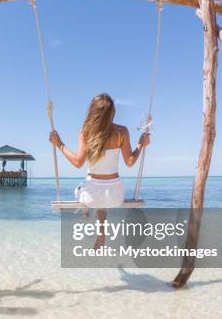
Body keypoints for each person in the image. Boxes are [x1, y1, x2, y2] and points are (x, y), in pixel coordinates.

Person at [49, 93, 150, 249]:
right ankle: (100, 231)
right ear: (112, 112)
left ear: (92, 111)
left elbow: (78, 162)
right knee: (102, 196)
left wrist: (59, 144)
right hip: (116, 195)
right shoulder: (121, 132)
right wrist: (140, 144)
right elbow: (130, 162)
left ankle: (86, 210)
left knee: (82, 189)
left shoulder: (86, 132)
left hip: (91, 195)